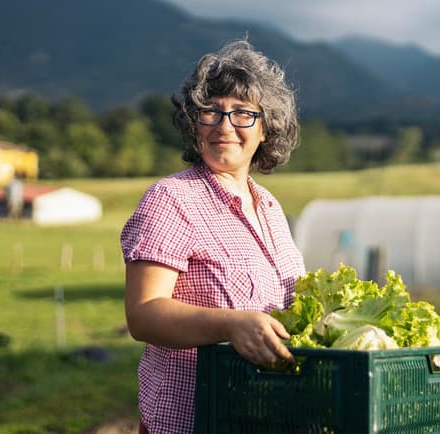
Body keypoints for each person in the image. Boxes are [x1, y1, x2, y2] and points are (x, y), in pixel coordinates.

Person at [119, 39, 306, 434]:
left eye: (242, 114)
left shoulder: (269, 207)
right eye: (211, 112)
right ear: (194, 122)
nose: (224, 126)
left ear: (266, 128)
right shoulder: (171, 198)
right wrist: (231, 325)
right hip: (191, 420)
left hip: (261, 419)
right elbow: (143, 313)